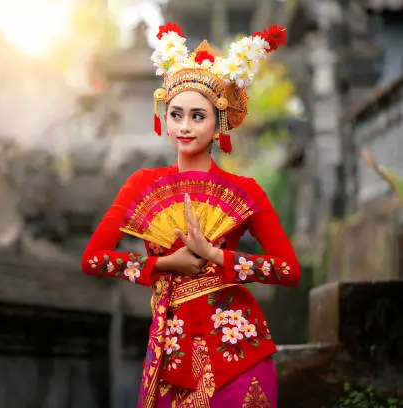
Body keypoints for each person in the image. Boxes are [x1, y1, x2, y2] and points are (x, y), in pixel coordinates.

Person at [80, 22, 299, 408]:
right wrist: (165, 264)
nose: (184, 126)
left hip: (239, 352)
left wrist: (217, 256)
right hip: (171, 351)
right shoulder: (141, 184)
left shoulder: (245, 190)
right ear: (164, 117)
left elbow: (287, 270)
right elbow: (94, 260)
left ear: (219, 124)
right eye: (176, 114)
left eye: (198, 116)